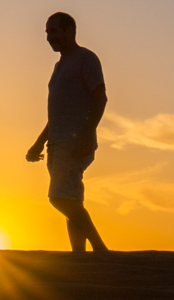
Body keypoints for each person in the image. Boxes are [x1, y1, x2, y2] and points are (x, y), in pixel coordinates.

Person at [25, 12, 110, 252]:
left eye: (53, 31)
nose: (49, 37)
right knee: (71, 200)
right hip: (57, 144)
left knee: (59, 198)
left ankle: (100, 249)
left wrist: (86, 134)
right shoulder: (58, 67)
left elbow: (100, 98)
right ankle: (80, 257)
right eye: (47, 33)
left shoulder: (86, 58)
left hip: (74, 143)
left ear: (69, 31)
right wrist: (38, 143)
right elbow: (56, 115)